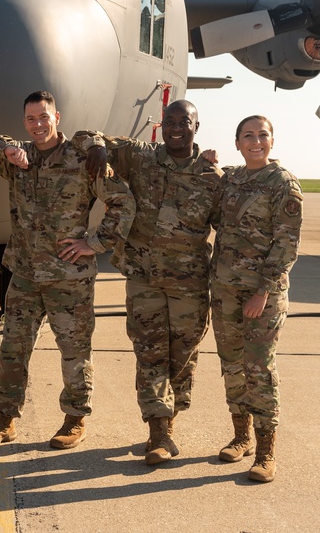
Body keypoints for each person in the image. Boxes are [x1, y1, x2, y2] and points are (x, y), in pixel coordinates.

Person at [0, 91, 135, 451]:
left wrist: (96, 243)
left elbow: (122, 202)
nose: (38, 125)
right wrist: (6, 147)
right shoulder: (17, 159)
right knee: (12, 350)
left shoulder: (81, 158)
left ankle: (75, 419)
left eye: (44, 117)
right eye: (30, 119)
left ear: (57, 118)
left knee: (74, 352)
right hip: (24, 274)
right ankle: (5, 419)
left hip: (68, 277)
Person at [73, 100, 223, 465]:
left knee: (182, 356)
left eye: (183, 122)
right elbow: (82, 135)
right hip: (144, 277)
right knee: (149, 352)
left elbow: (230, 231)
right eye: (169, 121)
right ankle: (158, 431)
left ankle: (170, 418)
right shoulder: (140, 156)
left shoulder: (211, 177)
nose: (175, 128)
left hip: (190, 282)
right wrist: (95, 147)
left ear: (196, 128)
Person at [211, 115, 303, 483]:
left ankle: (266, 450)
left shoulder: (282, 184)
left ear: (271, 141)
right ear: (237, 143)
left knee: (259, 369)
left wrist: (262, 291)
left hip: (262, 295)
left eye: (262, 135)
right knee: (232, 364)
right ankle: (241, 436)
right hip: (225, 291)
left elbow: (286, 244)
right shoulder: (232, 179)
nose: (255, 141)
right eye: (248, 136)